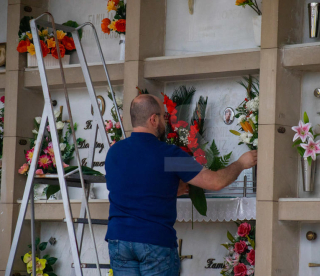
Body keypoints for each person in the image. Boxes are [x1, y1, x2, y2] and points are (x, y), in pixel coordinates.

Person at [105, 94, 257, 276]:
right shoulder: (169, 155)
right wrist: (241, 163)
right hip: (154, 240)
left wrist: (170, 189)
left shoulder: (114, 152)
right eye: (162, 116)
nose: (165, 121)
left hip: (119, 239)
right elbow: (215, 182)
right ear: (153, 119)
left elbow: (130, 187)